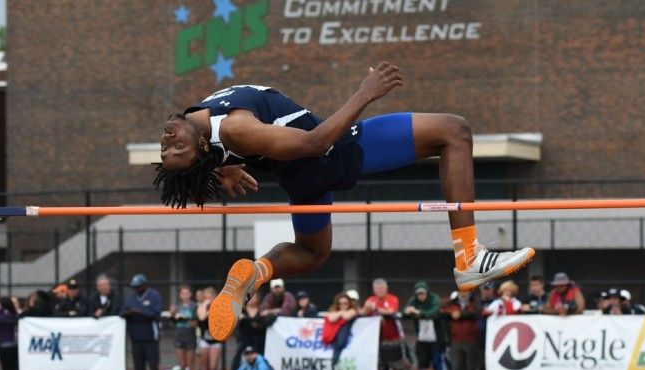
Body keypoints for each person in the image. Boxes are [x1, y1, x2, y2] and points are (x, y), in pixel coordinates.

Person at [154, 62, 535, 343]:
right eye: (177, 147)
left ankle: (255, 273)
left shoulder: (203, 125)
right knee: (454, 131)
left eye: (168, 146)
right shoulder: (234, 129)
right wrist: (365, 93)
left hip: (303, 177)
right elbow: (315, 143)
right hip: (333, 152)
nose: (169, 139)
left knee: (312, 252)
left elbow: (213, 159)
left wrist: (231, 164)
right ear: (202, 145)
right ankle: (468, 256)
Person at [362, 278, 405, 370]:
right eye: (378, 288)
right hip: (375, 340)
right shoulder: (370, 300)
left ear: (386, 289)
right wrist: (366, 309)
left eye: (382, 288)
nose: (380, 290)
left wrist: (375, 308)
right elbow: (362, 312)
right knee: (376, 366)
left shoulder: (392, 299)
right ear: (374, 290)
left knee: (396, 366)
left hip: (393, 338)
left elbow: (391, 311)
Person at [121, 273, 163, 370]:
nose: (136, 289)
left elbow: (155, 313)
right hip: (135, 337)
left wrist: (139, 312)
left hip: (150, 337)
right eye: (134, 287)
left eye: (138, 286)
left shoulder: (154, 295)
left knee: (153, 366)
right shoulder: (131, 297)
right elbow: (122, 312)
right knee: (138, 367)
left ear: (144, 285)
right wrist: (129, 313)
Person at [404, 281, 442, 370]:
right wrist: (408, 311)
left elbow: (433, 312)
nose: (421, 295)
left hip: (436, 338)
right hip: (422, 338)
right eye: (418, 293)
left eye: (423, 293)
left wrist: (418, 312)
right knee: (421, 365)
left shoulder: (434, 298)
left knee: (436, 365)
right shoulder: (414, 300)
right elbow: (405, 310)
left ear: (427, 292)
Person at [441, 289, 480, 370]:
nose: (464, 294)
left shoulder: (474, 302)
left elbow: (476, 312)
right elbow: (442, 310)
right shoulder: (452, 303)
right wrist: (452, 313)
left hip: (471, 340)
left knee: (470, 368)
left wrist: (461, 314)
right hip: (456, 340)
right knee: (456, 368)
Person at [53, 278, 89, 370]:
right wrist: (69, 314)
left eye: (75, 289)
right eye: (71, 289)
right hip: (65, 338)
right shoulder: (64, 302)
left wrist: (74, 314)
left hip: (79, 338)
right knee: (65, 362)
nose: (73, 292)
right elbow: (57, 314)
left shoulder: (84, 300)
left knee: (78, 361)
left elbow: (84, 313)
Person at [91, 275, 123, 370]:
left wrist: (103, 313)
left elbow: (116, 310)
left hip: (114, 335)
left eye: (105, 285)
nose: (104, 287)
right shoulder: (95, 298)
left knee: (115, 361)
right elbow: (90, 311)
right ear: (98, 287)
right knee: (103, 360)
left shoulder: (116, 296)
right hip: (101, 336)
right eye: (101, 285)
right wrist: (95, 315)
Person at [170, 284, 198, 370]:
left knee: (190, 365)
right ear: (180, 295)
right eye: (183, 294)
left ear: (190, 295)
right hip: (179, 336)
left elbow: (196, 322)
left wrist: (189, 320)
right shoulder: (177, 307)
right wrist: (172, 315)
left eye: (187, 293)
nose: (185, 295)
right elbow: (172, 323)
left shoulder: (194, 306)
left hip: (190, 336)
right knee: (182, 365)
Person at [196, 286, 224, 370]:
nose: (208, 299)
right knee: (206, 367)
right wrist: (205, 305)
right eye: (206, 297)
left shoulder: (219, 307)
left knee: (213, 367)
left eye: (210, 297)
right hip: (204, 340)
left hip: (215, 340)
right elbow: (202, 317)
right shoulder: (201, 307)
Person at [322, 291, 359, 370]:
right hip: (333, 335)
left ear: (349, 303)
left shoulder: (353, 310)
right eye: (341, 303)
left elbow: (347, 316)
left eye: (345, 303)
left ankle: (335, 363)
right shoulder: (333, 309)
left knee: (340, 342)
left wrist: (339, 314)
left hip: (344, 334)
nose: (343, 305)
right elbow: (331, 318)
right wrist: (341, 312)